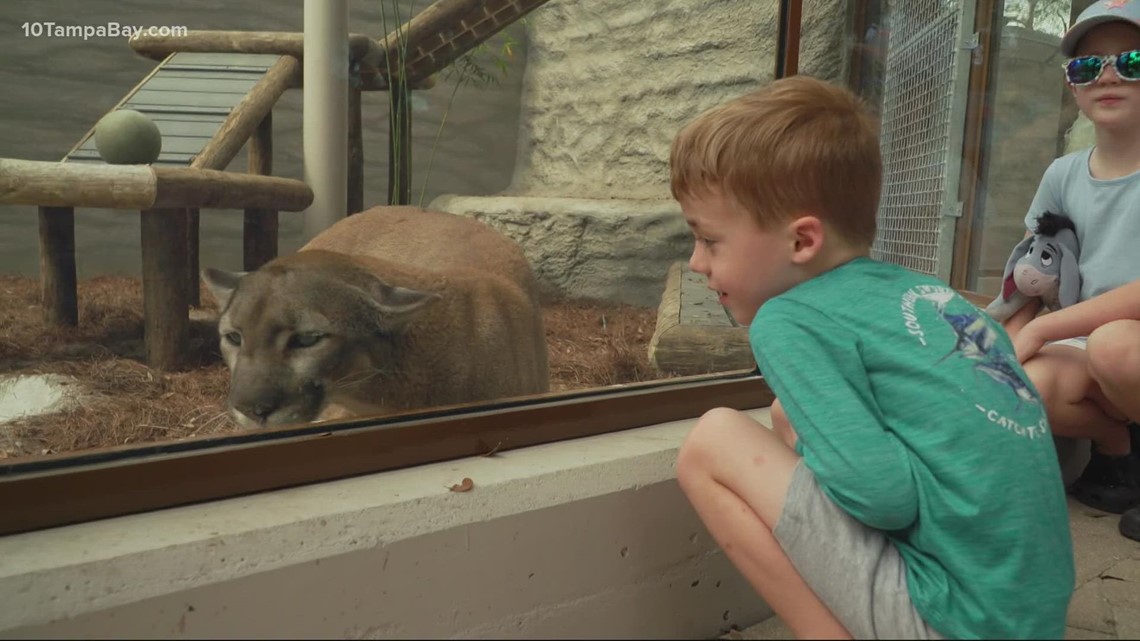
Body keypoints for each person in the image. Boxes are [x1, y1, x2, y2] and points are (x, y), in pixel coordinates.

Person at [670, 75, 1074, 639]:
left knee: (712, 442)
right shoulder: (934, 299)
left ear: (801, 242)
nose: (696, 262)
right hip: (1026, 616)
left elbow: (885, 498)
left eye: (710, 240)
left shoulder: (789, 319)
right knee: (791, 416)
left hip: (953, 620)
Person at [1002, 0, 1140, 528]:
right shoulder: (1061, 174)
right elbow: (1032, 272)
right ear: (1074, 87)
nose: (1108, 75)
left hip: (1121, 346)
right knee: (1019, 387)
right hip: (1085, 351)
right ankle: (1117, 448)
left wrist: (1047, 330)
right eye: (1088, 66)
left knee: (1117, 346)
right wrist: (1011, 343)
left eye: (1131, 61)